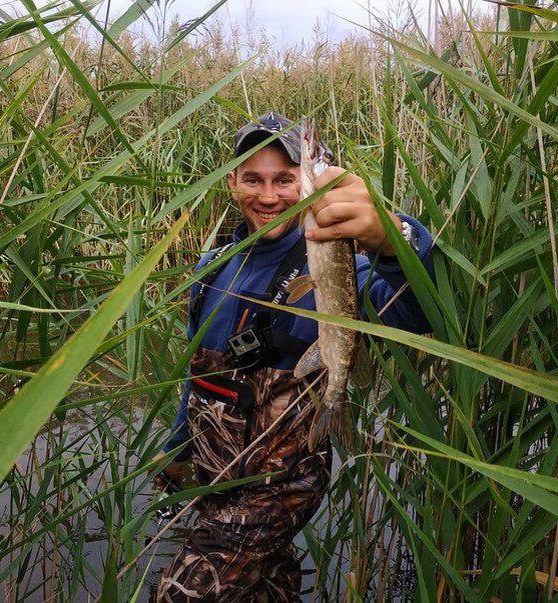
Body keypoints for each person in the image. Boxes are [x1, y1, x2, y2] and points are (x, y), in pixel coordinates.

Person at [154, 112, 434, 602]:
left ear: (306, 184)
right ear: (232, 183)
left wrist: (395, 241)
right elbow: (197, 379)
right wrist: (178, 451)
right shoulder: (210, 268)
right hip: (216, 478)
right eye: (253, 180)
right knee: (267, 590)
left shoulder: (334, 257)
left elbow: (419, 316)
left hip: (283, 483)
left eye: (285, 179)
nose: (268, 197)